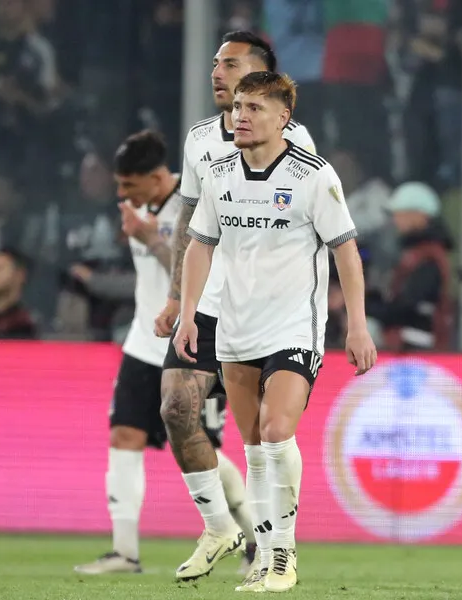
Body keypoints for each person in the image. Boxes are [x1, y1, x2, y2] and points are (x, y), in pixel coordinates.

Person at [174, 71, 377, 593]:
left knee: (276, 429)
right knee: (254, 448)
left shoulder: (313, 176)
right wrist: (189, 312)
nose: (240, 115)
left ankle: (284, 555)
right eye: (238, 106)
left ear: (283, 117)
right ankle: (265, 557)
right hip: (236, 328)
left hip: (294, 327)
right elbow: (201, 245)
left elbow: (346, 251)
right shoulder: (218, 173)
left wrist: (357, 324)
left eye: (254, 108)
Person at [154, 31, 317, 582]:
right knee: (177, 408)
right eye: (216, 64)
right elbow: (191, 224)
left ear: (261, 77)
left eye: (231, 64)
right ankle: (220, 527)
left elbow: (310, 225)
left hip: (266, 312)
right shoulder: (200, 139)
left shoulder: (298, 145)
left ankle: (275, 550)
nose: (216, 73)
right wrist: (178, 298)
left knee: (263, 437)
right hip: (206, 302)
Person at [72, 130, 244, 575]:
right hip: (141, 343)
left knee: (197, 445)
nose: (121, 193)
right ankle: (124, 552)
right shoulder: (139, 209)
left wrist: (152, 239)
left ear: (155, 178)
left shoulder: (195, 205)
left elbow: (196, 276)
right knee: (123, 436)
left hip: (194, 343)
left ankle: (251, 536)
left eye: (128, 184)